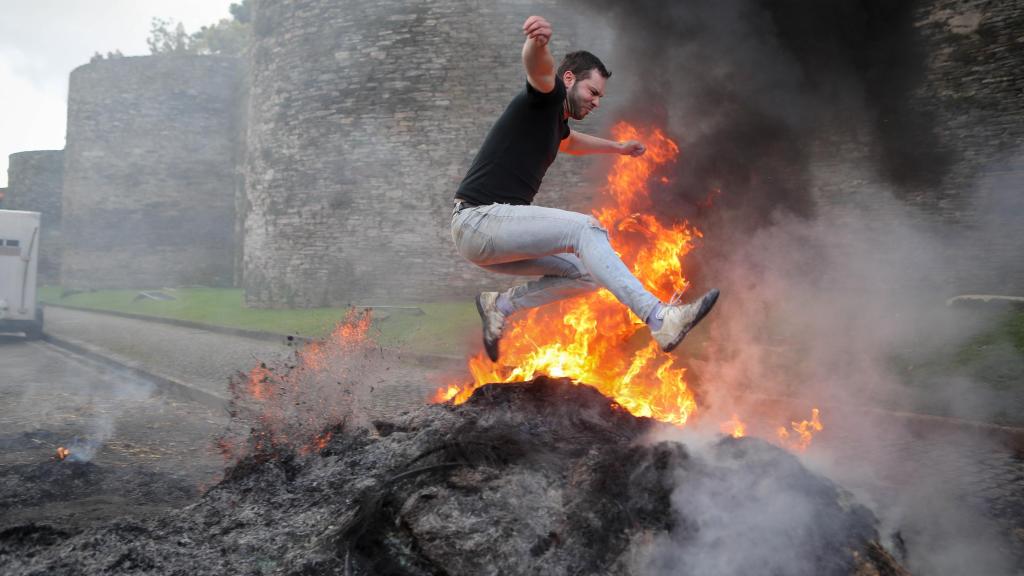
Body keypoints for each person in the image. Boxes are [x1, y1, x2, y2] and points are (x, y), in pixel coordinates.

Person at [450, 15, 719, 362]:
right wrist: (538, 43)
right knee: (585, 228)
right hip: (479, 220)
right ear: (568, 80)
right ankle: (660, 318)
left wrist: (618, 148)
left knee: (587, 276)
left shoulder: (553, 122)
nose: (596, 101)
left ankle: (499, 304)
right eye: (593, 92)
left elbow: (570, 142)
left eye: (600, 97)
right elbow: (538, 69)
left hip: (489, 235)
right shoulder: (545, 99)